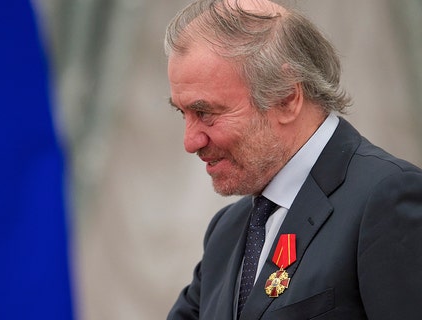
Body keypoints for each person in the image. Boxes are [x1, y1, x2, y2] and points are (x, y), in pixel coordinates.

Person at [164, 0, 422, 319]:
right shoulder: (227, 230)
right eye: (183, 112)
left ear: (286, 98)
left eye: (205, 113)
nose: (191, 141)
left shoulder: (387, 200)